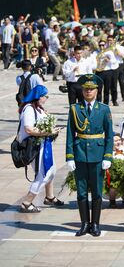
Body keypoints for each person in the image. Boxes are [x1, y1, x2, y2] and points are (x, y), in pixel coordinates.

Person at [65, 74, 113, 236]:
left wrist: (107, 156)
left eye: (91, 89)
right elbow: (70, 134)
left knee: (98, 192)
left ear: (97, 91)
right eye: (85, 89)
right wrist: (70, 156)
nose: (88, 92)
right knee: (82, 192)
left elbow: (110, 135)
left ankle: (95, 224)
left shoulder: (104, 109)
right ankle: (84, 224)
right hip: (80, 155)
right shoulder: (75, 109)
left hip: (98, 155)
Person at [18, 85, 63, 213]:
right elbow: (29, 129)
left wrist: (52, 130)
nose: (46, 99)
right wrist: (49, 131)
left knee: (52, 170)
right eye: (44, 96)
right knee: (44, 174)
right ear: (38, 97)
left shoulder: (38, 108)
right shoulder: (28, 110)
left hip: (44, 144)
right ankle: (27, 202)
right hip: (35, 147)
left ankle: (49, 196)